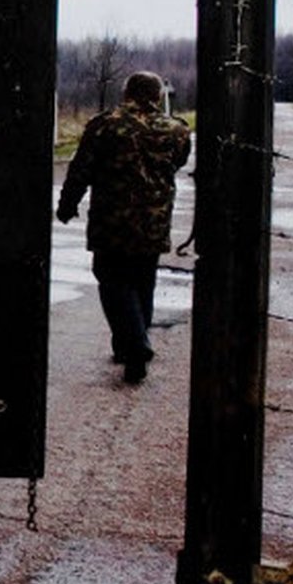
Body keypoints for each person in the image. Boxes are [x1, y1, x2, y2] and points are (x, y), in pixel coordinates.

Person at [56, 71, 191, 384]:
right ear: (158, 96)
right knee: (143, 282)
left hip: (112, 221)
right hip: (154, 221)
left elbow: (81, 169)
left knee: (113, 281)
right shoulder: (177, 130)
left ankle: (135, 345)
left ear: (127, 93)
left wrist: (67, 205)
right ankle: (130, 346)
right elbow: (178, 163)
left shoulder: (105, 125)